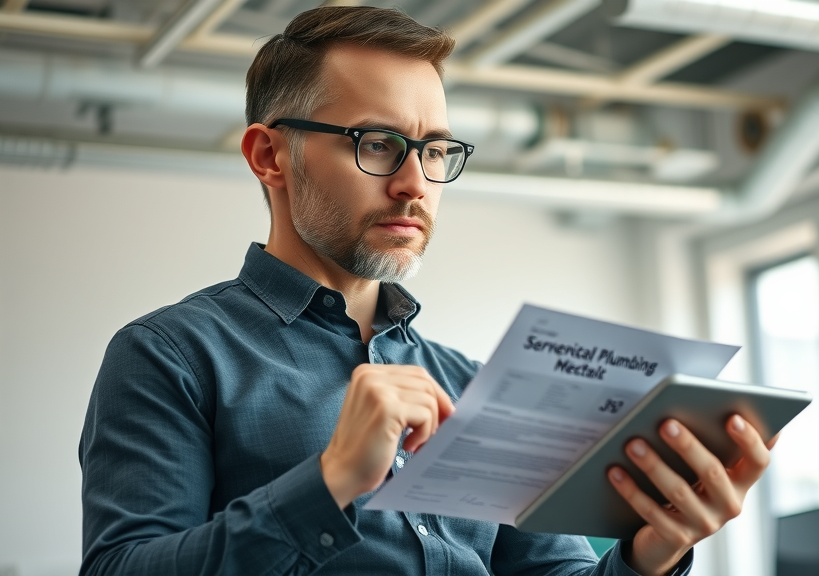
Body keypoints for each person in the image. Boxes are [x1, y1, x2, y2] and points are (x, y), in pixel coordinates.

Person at [78, 5, 775, 575]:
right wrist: (331, 483)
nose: (415, 184)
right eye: (378, 143)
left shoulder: (474, 385)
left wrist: (650, 552)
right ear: (270, 156)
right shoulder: (167, 355)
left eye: (435, 150)